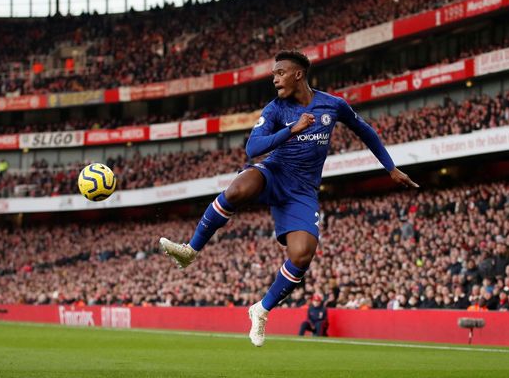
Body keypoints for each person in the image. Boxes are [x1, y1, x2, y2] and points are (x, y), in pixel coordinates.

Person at [159, 50, 418, 347]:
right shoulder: (276, 109)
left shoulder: (333, 105)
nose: (274, 79)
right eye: (273, 74)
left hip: (302, 192)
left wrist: (390, 167)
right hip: (273, 173)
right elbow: (253, 148)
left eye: (279, 73)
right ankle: (191, 250)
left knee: (302, 254)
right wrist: (290, 130)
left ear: (298, 74)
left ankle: (261, 309)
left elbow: (365, 130)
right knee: (237, 190)